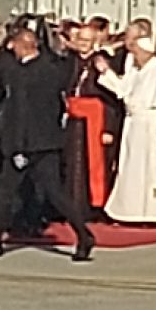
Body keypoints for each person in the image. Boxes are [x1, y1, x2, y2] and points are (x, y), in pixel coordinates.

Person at [0, 28, 95, 262]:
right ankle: (83, 234)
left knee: (3, 193)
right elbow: (64, 77)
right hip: (48, 142)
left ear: (22, 46)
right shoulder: (52, 69)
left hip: (25, 144)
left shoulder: (20, 74)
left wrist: (17, 147)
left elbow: (20, 114)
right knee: (55, 194)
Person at [92, 31, 156, 224]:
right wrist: (106, 72)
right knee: (132, 170)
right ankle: (130, 211)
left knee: (154, 172)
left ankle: (155, 213)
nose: (134, 56)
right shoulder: (135, 70)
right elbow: (122, 90)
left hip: (154, 126)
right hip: (134, 125)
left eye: (137, 53)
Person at [62, 24, 119, 219]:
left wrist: (109, 128)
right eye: (80, 40)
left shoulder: (103, 62)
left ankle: (93, 207)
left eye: (87, 41)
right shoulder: (69, 61)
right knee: (72, 163)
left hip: (97, 120)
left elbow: (112, 100)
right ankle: (71, 205)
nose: (83, 44)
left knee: (94, 165)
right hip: (73, 119)